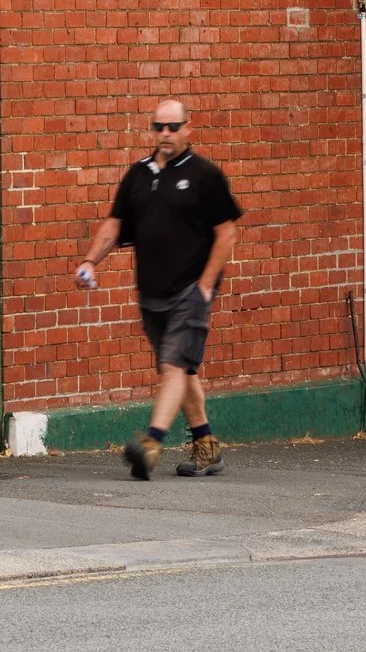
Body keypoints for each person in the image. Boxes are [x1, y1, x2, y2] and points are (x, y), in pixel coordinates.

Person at [75, 98, 243, 479]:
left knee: (172, 367)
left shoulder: (205, 176)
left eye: (172, 127)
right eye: (158, 127)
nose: (165, 134)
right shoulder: (138, 174)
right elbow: (115, 225)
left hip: (191, 291)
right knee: (183, 371)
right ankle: (207, 447)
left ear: (188, 127)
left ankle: (150, 445)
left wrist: (204, 285)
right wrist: (89, 260)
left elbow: (227, 233)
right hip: (152, 291)